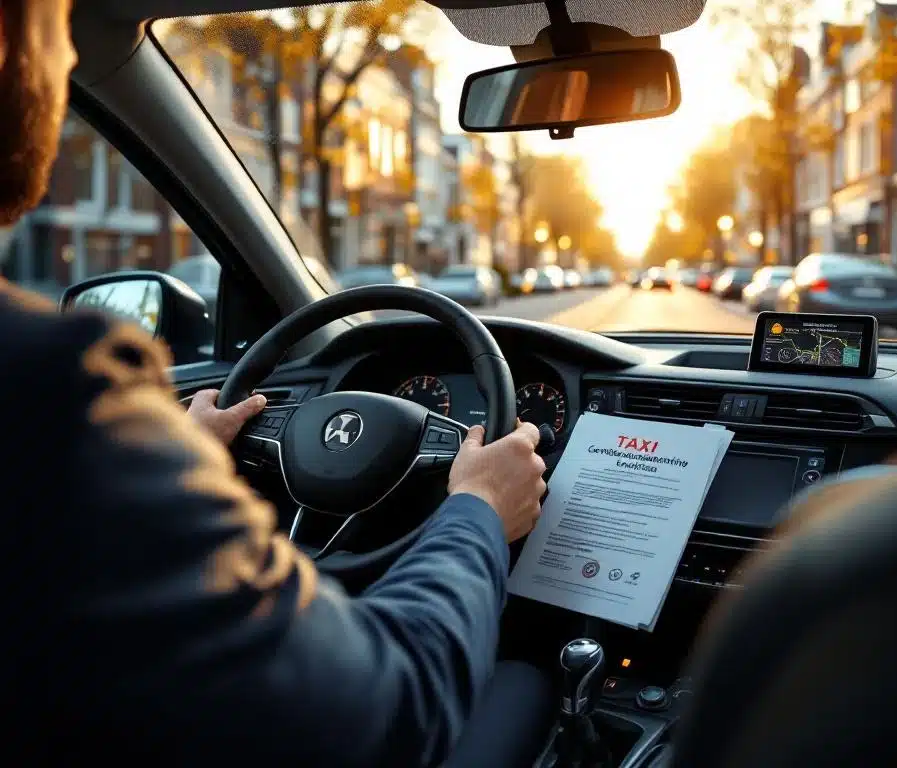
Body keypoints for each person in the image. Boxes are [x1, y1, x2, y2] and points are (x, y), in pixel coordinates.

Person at [1, 1, 552, 765]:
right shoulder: (56, 395)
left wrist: (173, 456)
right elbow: (393, 707)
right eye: (54, 25)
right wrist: (480, 510)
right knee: (525, 683)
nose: (64, 58)